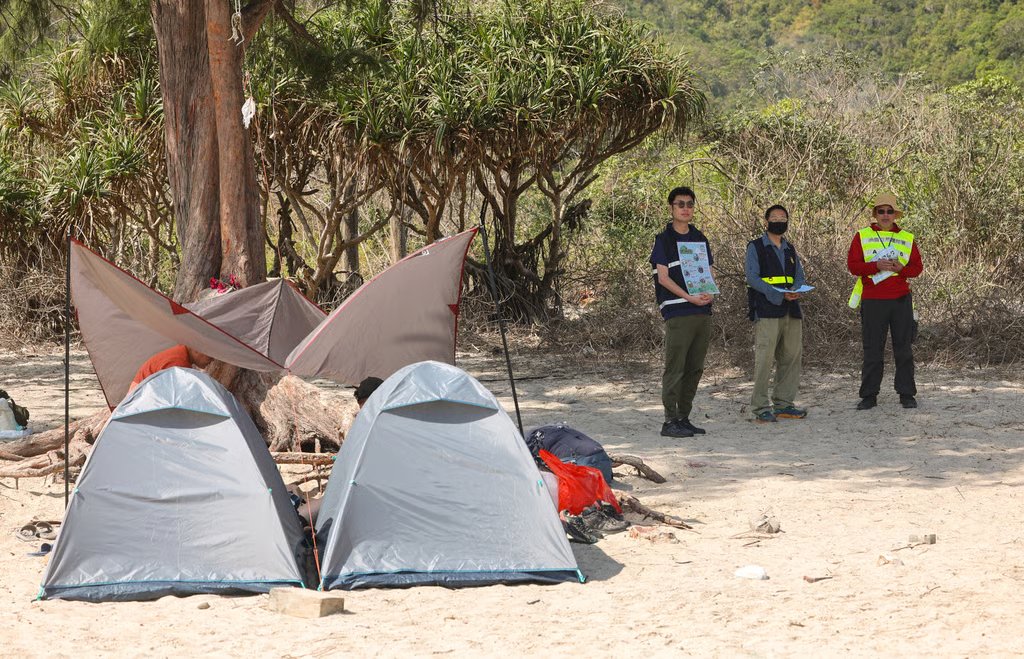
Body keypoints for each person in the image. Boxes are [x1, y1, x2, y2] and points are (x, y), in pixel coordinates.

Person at [847, 192, 923, 410]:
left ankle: (906, 393)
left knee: (904, 349)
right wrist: (875, 266)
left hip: (900, 300)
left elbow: (917, 269)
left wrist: (902, 269)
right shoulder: (861, 236)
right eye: (881, 211)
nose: (886, 215)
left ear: (895, 214)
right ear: (875, 214)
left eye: (890, 211)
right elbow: (853, 266)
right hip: (873, 300)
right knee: (872, 350)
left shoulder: (907, 237)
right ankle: (869, 396)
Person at [649, 186, 713, 438]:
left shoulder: (699, 237)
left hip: (702, 310)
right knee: (675, 367)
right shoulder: (663, 240)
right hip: (678, 311)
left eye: (690, 204)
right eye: (680, 204)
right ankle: (670, 421)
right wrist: (688, 297)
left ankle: (684, 417)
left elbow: (707, 271)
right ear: (671, 208)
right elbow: (663, 278)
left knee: (695, 367)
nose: (686, 208)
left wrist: (709, 293)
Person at [744, 204, 808, 423]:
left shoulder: (790, 248)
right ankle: (760, 407)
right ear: (766, 221)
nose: (779, 221)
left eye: (783, 218)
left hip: (792, 309)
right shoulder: (756, 247)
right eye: (775, 217)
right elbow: (752, 278)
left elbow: (799, 275)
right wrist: (778, 294)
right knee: (765, 359)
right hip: (767, 309)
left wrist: (796, 290)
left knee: (791, 357)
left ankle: (784, 404)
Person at [127, 344, 213, 393]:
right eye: (210, 355)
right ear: (197, 350)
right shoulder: (178, 363)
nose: (212, 359)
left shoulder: (180, 354)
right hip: (139, 398)